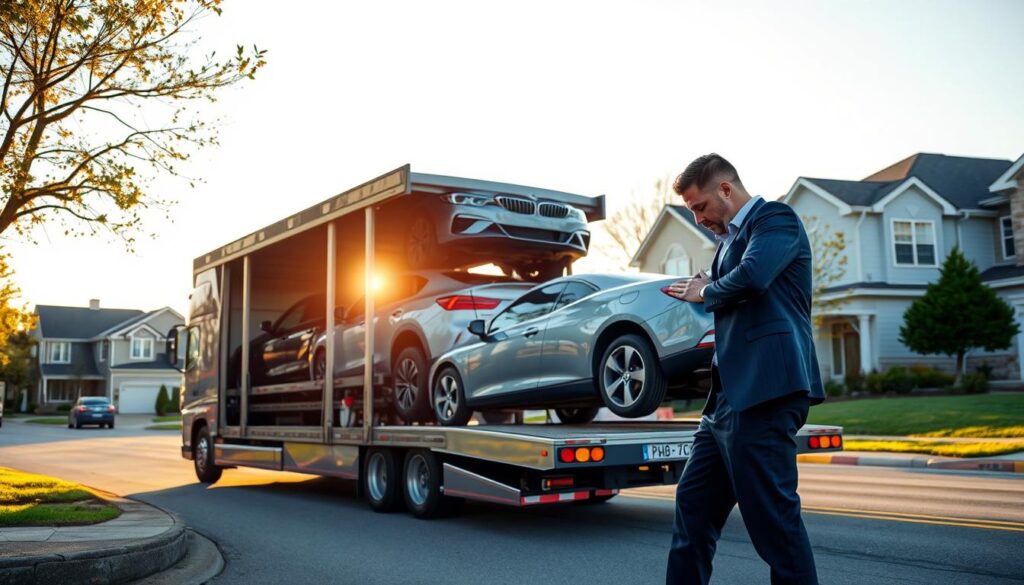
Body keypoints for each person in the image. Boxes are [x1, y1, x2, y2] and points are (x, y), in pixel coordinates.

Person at [664, 153, 825, 585]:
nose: (698, 219)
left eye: (700, 207)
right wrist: (706, 287)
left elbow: (753, 278)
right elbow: (729, 297)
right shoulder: (726, 247)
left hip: (768, 392)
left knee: (774, 525)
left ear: (726, 190)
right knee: (692, 511)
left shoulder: (776, 220)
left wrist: (707, 289)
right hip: (724, 402)